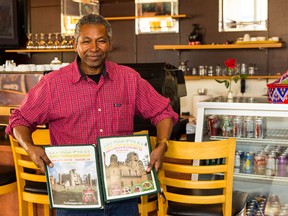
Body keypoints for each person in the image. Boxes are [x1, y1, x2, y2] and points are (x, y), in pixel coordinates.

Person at [6, 14, 178, 216]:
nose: (94, 48)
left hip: (123, 196)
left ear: (110, 44)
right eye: (86, 41)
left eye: (101, 41)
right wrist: (30, 147)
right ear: (75, 44)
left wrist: (162, 144)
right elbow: (19, 120)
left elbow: (163, 111)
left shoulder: (129, 79)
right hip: (75, 202)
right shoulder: (52, 84)